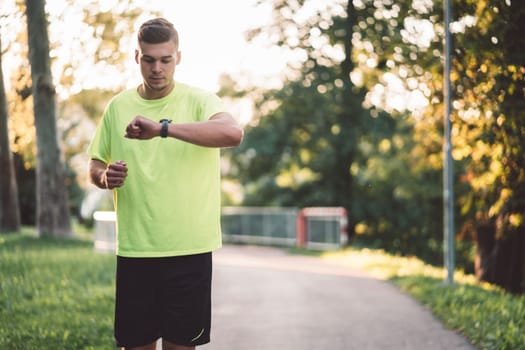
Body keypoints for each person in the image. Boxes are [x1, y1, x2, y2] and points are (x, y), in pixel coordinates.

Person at [87, 17, 243, 350]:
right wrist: (104, 177)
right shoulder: (118, 106)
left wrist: (163, 128)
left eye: (165, 59)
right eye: (149, 59)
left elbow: (232, 133)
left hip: (189, 251)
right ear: (137, 57)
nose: (157, 68)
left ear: (178, 58)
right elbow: (96, 163)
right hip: (136, 250)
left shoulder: (200, 101)